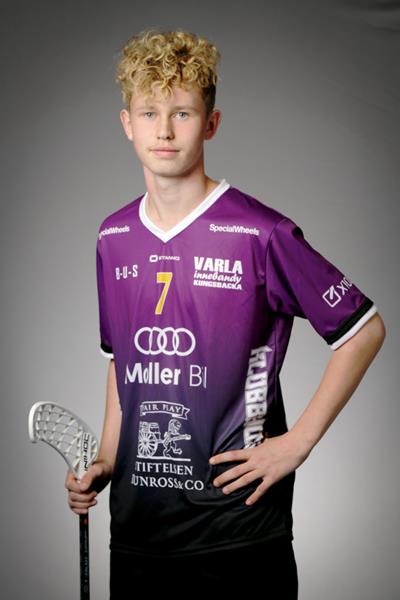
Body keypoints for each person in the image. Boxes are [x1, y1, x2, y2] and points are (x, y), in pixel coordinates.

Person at [65, 28, 386, 598]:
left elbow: (364, 331)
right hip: (138, 531)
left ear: (211, 123)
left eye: (182, 113)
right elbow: (122, 363)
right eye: (149, 113)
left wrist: (298, 442)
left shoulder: (260, 232)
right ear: (127, 124)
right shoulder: (112, 237)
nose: (165, 130)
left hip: (238, 531)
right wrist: (106, 461)